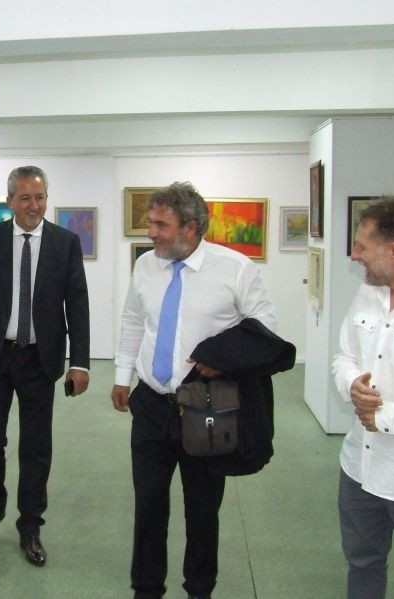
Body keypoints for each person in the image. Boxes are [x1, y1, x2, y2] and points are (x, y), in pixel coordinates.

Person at [111, 182, 283, 599]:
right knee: (148, 505)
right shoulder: (145, 266)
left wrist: (224, 358)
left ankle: (199, 589)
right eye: (150, 223)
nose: (150, 233)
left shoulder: (235, 269)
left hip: (206, 409)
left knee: (203, 510)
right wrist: (122, 375)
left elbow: (265, 332)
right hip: (151, 404)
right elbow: (133, 319)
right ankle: (146, 588)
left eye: (160, 225)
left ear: (190, 227)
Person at [0, 165, 90, 566]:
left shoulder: (65, 242)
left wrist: (80, 363)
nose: (34, 205)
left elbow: (78, 305)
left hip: (39, 359)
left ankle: (30, 525)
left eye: (40, 197)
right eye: (26, 198)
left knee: (36, 448)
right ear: (10, 201)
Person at [332, 198, 394, 599]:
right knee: (362, 564)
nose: (354, 255)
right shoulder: (368, 293)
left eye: (362, 246)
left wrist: (387, 416)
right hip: (360, 468)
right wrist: (352, 384)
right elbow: (344, 356)